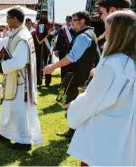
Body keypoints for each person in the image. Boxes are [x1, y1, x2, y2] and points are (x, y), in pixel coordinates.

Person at [67, 10, 136, 166]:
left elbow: (94, 99)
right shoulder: (130, 60)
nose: (104, 33)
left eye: (107, 28)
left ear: (116, 33)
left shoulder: (113, 63)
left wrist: (73, 107)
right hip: (125, 127)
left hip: (105, 130)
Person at [0, 7, 43, 151]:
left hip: (21, 81)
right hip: (14, 78)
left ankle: (24, 141)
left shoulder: (23, 36)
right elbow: (0, 43)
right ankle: (5, 133)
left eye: (7, 18)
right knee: (8, 107)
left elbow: (19, 61)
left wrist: (3, 64)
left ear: (14, 19)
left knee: (19, 109)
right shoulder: (15, 34)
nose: (6, 21)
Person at [43, 11, 100, 139]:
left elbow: (72, 57)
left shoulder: (83, 36)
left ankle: (76, 127)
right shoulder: (89, 33)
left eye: (74, 20)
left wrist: (53, 66)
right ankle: (74, 128)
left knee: (65, 100)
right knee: (69, 100)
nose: (71, 22)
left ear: (82, 21)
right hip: (80, 74)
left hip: (77, 74)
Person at [31, 11, 53, 87]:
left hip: (47, 48)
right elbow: (39, 36)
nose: (44, 16)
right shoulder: (39, 25)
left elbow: (52, 35)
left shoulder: (50, 25)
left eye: (45, 14)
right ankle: (39, 81)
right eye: (42, 14)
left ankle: (47, 82)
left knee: (48, 64)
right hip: (39, 49)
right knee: (39, 65)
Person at [53, 16, 75, 82]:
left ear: (72, 21)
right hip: (62, 51)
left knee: (70, 66)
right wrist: (56, 50)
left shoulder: (74, 29)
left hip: (70, 51)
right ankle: (62, 82)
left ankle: (69, 82)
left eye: (69, 20)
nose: (68, 22)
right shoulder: (62, 29)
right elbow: (59, 40)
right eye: (67, 20)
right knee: (62, 66)